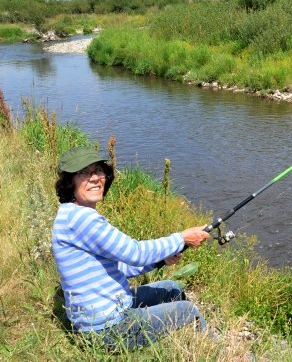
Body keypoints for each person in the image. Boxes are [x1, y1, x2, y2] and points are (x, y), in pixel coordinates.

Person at [52, 145, 212, 350]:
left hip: (113, 310)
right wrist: (182, 238)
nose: (94, 178)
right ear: (69, 182)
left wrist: (160, 260)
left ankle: (186, 338)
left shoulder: (72, 214)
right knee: (189, 310)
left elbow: (119, 267)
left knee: (172, 288)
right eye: (84, 173)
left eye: (98, 170)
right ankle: (213, 350)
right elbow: (135, 253)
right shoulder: (81, 219)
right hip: (106, 330)